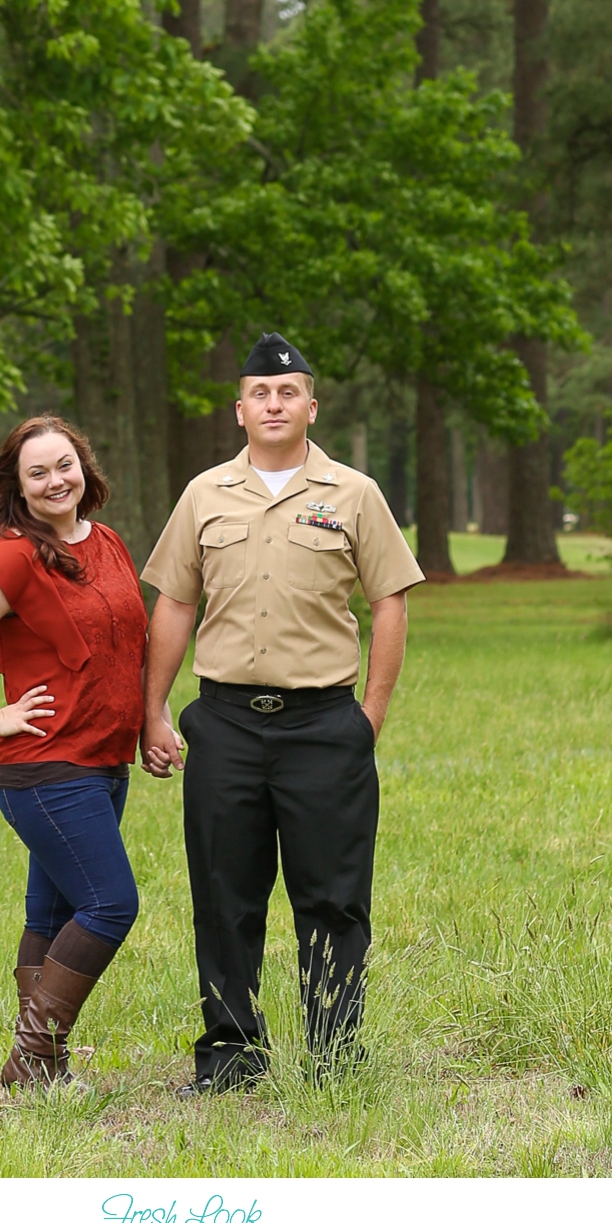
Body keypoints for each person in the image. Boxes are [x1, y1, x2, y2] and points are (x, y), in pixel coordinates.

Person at [139, 332, 424, 1092]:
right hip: (224, 722)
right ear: (240, 409)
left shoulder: (355, 493)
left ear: (310, 405)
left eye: (288, 391)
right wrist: (153, 707)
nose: (274, 402)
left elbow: (388, 601)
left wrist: (371, 713)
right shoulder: (204, 495)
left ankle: (333, 1054)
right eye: (260, 393)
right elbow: (175, 602)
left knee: (332, 898)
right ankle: (233, 1055)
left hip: (324, 726)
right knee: (224, 896)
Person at [0, 415, 148, 1089]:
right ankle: (34, 1057)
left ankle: (40, 1069)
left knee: (51, 915)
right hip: (46, 769)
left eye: (65, 464)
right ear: (17, 487)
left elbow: (126, 642)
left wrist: (150, 718)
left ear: (85, 466)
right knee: (111, 904)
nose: (56, 480)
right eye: (38, 472)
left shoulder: (106, 542)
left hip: (105, 763)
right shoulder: (15, 554)